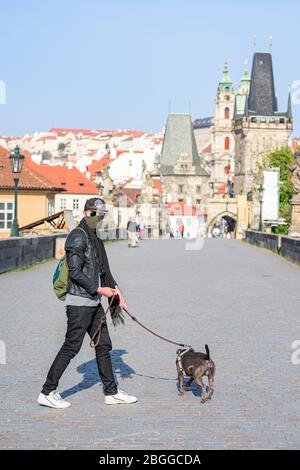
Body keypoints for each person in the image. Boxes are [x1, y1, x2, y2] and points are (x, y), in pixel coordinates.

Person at [38, 197, 137, 409]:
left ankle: (111, 393)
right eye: (95, 215)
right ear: (86, 213)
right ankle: (47, 391)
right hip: (79, 304)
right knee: (71, 347)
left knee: (103, 346)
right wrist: (99, 289)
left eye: (101, 216)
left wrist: (118, 293)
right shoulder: (78, 236)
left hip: (93, 303)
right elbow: (74, 272)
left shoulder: (94, 238)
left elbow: (102, 270)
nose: (98, 220)